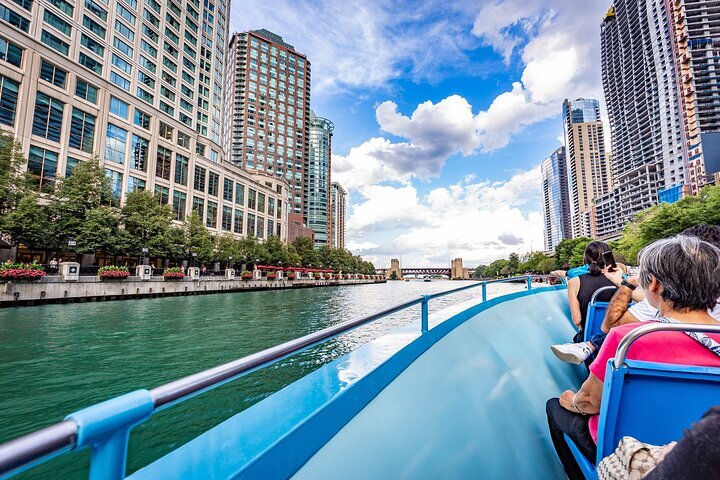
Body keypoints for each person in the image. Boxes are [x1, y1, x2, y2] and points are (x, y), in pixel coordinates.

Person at [546, 236, 720, 480]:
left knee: (555, 407)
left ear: (655, 285)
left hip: (627, 449)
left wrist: (571, 401)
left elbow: (589, 402)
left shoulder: (628, 339)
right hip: (701, 455)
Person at [552, 224, 720, 364]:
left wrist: (626, 284)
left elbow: (607, 326)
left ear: (654, 283)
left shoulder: (632, 336)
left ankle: (589, 345)